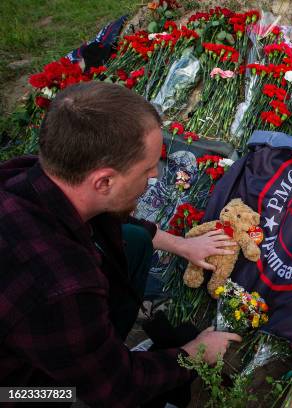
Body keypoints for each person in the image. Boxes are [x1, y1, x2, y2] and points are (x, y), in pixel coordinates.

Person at [0, 81, 241, 406]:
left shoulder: (33, 176)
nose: (155, 176)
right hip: (17, 390)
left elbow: (117, 220)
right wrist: (195, 354)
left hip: (36, 330)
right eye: (147, 168)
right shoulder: (61, 282)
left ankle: (101, 350)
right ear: (104, 181)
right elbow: (115, 388)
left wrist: (184, 246)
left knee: (135, 240)